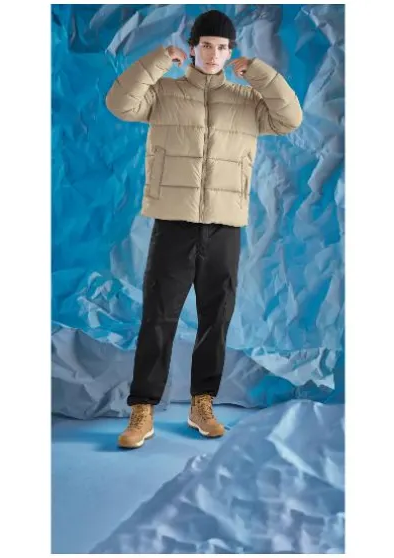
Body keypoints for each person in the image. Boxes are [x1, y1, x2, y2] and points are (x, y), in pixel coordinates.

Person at [105, 9, 303, 449]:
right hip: (173, 222)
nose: (214, 54)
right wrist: (159, 60)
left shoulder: (247, 102)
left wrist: (260, 74)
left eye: (222, 47)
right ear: (192, 48)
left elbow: (290, 118)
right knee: (159, 316)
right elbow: (119, 103)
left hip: (224, 225)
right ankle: (143, 408)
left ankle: (202, 403)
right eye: (207, 45)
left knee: (217, 316)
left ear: (231, 53)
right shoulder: (164, 93)